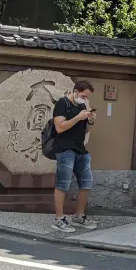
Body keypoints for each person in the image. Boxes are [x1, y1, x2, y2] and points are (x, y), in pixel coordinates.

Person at [51, 80, 98, 233]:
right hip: (65, 148)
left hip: (80, 148)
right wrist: (78, 117)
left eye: (87, 98)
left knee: (87, 182)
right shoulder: (62, 103)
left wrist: (90, 119)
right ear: (76, 91)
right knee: (63, 183)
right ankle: (59, 218)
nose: (85, 100)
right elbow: (59, 127)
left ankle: (79, 215)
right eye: (84, 96)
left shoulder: (83, 106)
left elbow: (83, 130)